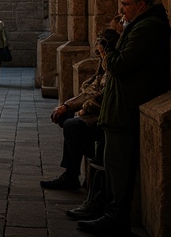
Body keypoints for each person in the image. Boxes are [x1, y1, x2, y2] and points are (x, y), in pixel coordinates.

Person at [78, 0, 171, 236]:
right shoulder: (138, 26)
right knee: (109, 162)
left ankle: (115, 216)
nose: (121, 9)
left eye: (126, 4)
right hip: (118, 108)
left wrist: (106, 49)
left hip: (125, 109)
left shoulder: (147, 28)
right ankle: (103, 208)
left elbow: (120, 67)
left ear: (141, 5)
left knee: (119, 169)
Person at [41, 28, 120, 192]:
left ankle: (71, 174)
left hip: (106, 116)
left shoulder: (113, 66)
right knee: (65, 117)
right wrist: (67, 106)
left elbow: (102, 96)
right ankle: (84, 151)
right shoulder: (104, 63)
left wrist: (82, 110)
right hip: (96, 110)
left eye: (100, 51)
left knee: (71, 126)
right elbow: (90, 89)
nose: (98, 55)